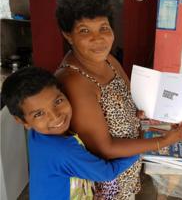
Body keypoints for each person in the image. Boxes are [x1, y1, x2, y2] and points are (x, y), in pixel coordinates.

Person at [55, 0, 182, 200]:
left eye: (104, 28)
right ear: (68, 35)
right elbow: (104, 148)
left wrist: (138, 114)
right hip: (107, 184)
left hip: (127, 168)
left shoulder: (109, 61)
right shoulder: (74, 80)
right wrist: (162, 142)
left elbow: (126, 101)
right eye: (85, 30)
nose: (98, 39)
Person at [1, 67, 140, 200]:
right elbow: (107, 173)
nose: (55, 117)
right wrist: (139, 150)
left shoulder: (37, 133)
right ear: (23, 121)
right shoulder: (63, 151)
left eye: (58, 101)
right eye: (39, 114)